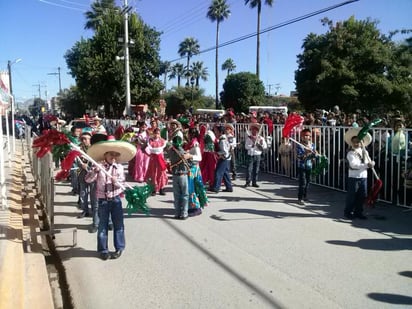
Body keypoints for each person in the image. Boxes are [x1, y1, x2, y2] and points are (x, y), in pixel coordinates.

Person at [85, 136, 137, 260]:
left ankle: (119, 248)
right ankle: (103, 250)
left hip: (116, 199)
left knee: (118, 225)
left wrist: (116, 181)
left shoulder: (119, 167)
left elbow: (123, 183)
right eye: (111, 154)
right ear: (105, 155)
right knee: (102, 226)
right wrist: (95, 171)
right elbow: (87, 179)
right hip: (102, 200)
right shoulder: (98, 166)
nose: (113, 157)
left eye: (115, 155)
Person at [344, 128, 375, 219]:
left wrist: (372, 163)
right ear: (351, 143)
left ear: (362, 142)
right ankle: (348, 212)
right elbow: (354, 165)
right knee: (352, 196)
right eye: (354, 142)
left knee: (362, 196)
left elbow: (369, 161)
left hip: (363, 176)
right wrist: (366, 165)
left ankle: (359, 212)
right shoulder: (350, 153)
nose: (356, 143)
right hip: (354, 177)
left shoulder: (365, 151)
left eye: (358, 142)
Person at [184, 127, 208, 216]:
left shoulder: (195, 144)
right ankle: (191, 206)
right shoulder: (191, 143)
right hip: (190, 168)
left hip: (194, 169)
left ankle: (196, 207)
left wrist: (190, 156)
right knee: (190, 188)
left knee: (192, 188)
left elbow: (199, 157)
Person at [168, 135, 191, 220]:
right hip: (182, 175)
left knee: (176, 195)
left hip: (174, 175)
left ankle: (177, 213)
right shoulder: (182, 151)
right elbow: (188, 156)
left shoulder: (171, 151)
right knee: (185, 195)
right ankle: (184, 213)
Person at [209, 125, 233, 193]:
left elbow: (224, 151)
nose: (215, 133)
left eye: (216, 131)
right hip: (226, 157)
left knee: (218, 172)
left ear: (220, 132)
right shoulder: (223, 138)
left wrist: (216, 153)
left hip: (224, 158)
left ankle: (216, 188)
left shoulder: (222, 140)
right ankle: (229, 187)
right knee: (225, 173)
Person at [144, 127, 168, 196]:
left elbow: (166, 147)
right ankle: (153, 189)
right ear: (153, 133)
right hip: (153, 160)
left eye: (158, 133)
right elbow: (148, 148)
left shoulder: (162, 141)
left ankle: (161, 188)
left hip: (160, 159)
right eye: (155, 133)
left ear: (159, 134)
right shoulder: (150, 141)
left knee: (161, 173)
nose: (156, 135)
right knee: (153, 173)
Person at [296, 128, 317, 205]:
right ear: (302, 136)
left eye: (308, 136)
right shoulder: (300, 145)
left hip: (309, 165)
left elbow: (314, 156)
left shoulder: (312, 145)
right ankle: (300, 198)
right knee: (302, 182)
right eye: (305, 135)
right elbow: (299, 157)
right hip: (302, 166)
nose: (307, 137)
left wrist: (315, 154)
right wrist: (305, 153)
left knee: (308, 182)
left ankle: (305, 196)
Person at [244, 123, 267, 188]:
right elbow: (246, 146)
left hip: (257, 155)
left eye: (256, 130)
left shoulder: (261, 138)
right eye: (253, 130)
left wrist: (261, 144)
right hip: (250, 155)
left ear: (257, 131)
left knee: (256, 169)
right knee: (249, 169)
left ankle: (254, 182)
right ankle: (248, 182)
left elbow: (264, 147)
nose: (254, 131)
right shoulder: (249, 138)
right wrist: (251, 146)